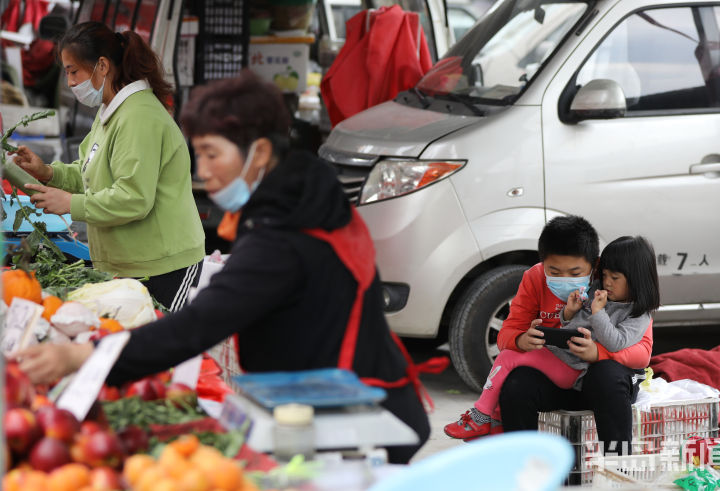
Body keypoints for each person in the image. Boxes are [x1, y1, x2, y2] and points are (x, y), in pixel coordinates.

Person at [14, 70, 432, 464]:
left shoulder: (283, 237)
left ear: (261, 152)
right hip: (338, 401)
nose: (204, 170)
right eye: (200, 154)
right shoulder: (305, 195)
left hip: (361, 423)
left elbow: (196, 326)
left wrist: (86, 356)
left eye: (213, 154)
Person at [11, 21, 204, 310]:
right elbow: (91, 174)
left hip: (165, 266)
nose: (70, 83)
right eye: (66, 73)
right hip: (129, 265)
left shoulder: (139, 117)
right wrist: (48, 172)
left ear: (102, 65)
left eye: (73, 71)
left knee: (161, 350)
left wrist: (71, 203)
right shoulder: (111, 113)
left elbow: (134, 198)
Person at [445, 217, 654, 455]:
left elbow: (642, 353)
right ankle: (522, 461)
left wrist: (598, 353)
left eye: (575, 272)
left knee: (606, 373)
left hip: (600, 383)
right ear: (542, 263)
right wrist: (522, 340)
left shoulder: (612, 286)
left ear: (594, 265)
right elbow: (508, 333)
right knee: (518, 383)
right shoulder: (535, 278)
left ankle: (619, 461)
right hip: (561, 372)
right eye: (554, 271)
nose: (564, 278)